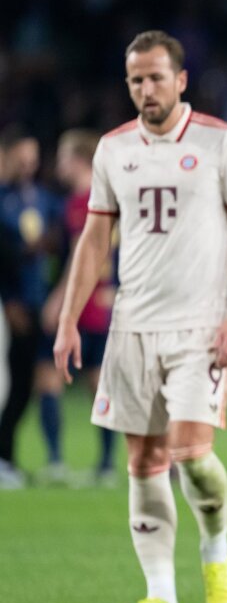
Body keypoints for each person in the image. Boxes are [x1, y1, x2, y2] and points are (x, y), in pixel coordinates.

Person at [53, 30, 227, 603]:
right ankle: (161, 597)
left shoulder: (221, 142)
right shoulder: (114, 149)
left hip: (201, 326)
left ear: (181, 80)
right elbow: (95, 239)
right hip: (132, 326)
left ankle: (216, 552)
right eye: (135, 80)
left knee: (192, 454)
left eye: (155, 77)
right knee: (143, 460)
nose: (146, 89)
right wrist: (69, 320)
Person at [43, 129, 119, 486]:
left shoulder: (81, 202)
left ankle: (57, 461)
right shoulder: (112, 197)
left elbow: (80, 254)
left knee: (49, 378)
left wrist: (59, 301)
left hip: (84, 304)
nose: (59, 164)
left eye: (62, 157)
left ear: (78, 160)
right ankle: (106, 465)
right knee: (99, 384)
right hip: (107, 302)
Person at [0, 127, 63, 487]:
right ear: (7, 156)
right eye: (22, 158)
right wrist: (9, 302)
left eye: (33, 159)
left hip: (43, 303)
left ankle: (25, 458)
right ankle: (4, 456)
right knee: (14, 385)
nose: (28, 164)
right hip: (16, 305)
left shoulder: (45, 199)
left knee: (36, 383)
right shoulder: (3, 199)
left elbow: (65, 236)